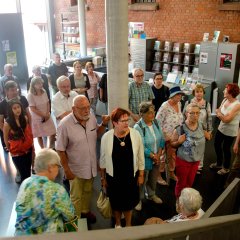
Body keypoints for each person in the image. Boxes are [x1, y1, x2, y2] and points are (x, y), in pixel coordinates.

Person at [56, 95, 110, 223]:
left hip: (90, 165)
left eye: (88, 107)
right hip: (75, 168)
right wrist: (66, 170)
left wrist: (104, 124)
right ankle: (76, 219)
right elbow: (60, 149)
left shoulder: (90, 117)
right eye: (82, 108)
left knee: (88, 191)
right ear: (74, 109)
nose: (87, 110)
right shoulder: (64, 124)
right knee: (76, 196)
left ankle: (85, 211)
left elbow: (96, 133)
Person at [100, 108, 144, 228]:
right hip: (113, 177)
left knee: (129, 203)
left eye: (127, 120)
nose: (126, 123)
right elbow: (103, 160)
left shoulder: (135, 134)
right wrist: (103, 178)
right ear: (114, 123)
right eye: (123, 120)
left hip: (130, 177)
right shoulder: (106, 137)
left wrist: (141, 175)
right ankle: (118, 223)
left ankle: (129, 224)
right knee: (116, 202)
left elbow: (140, 156)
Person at [15, 148, 75, 235]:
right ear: (50, 167)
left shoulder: (25, 183)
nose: (58, 170)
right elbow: (70, 216)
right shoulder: (57, 190)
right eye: (58, 166)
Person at [171, 104, 208, 198]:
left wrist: (208, 136)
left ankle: (186, 201)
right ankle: (179, 202)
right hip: (184, 161)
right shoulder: (180, 128)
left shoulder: (201, 125)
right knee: (181, 184)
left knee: (190, 182)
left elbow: (206, 137)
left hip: (196, 161)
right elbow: (172, 144)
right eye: (192, 113)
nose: (195, 115)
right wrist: (179, 142)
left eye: (197, 113)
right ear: (187, 114)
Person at [134, 102, 165, 211]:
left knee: (153, 178)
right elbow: (141, 146)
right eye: (149, 113)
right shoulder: (138, 127)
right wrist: (153, 156)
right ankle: (138, 199)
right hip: (145, 160)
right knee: (142, 181)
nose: (153, 115)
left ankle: (151, 194)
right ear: (142, 114)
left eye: (153, 112)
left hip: (156, 157)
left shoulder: (155, 122)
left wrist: (159, 154)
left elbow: (161, 138)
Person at [156, 86, 184, 183]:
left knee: (172, 155)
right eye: (178, 94)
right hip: (166, 136)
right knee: (163, 156)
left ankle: (171, 172)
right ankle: (158, 175)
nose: (180, 96)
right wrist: (165, 136)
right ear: (172, 96)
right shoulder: (165, 106)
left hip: (176, 135)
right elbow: (157, 122)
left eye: (180, 94)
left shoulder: (179, 104)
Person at [211, 83, 240, 175]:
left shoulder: (237, 105)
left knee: (226, 148)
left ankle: (226, 167)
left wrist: (221, 115)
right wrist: (222, 116)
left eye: (225, 90)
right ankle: (219, 163)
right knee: (216, 144)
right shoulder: (224, 100)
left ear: (230, 92)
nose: (223, 91)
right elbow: (218, 110)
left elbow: (227, 119)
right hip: (221, 128)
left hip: (231, 131)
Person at [183, 83, 212, 172]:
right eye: (197, 92)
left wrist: (210, 131)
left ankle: (198, 166)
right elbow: (184, 115)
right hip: (190, 129)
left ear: (203, 93)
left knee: (200, 147)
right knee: (190, 147)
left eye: (201, 92)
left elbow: (209, 118)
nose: (199, 93)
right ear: (193, 93)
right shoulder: (188, 102)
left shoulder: (206, 104)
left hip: (202, 130)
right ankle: (189, 165)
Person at [3, 100, 34, 183]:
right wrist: (11, 149)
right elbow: (5, 138)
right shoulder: (7, 123)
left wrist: (31, 143)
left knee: (28, 172)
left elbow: (28, 133)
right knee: (24, 175)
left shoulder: (25, 118)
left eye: (18, 107)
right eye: (14, 108)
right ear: (11, 110)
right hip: (17, 153)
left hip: (28, 150)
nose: (17, 110)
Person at [27, 77, 56, 149]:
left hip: (46, 114)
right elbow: (32, 108)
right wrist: (44, 115)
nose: (41, 85)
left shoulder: (44, 91)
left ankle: (50, 148)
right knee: (39, 134)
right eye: (39, 83)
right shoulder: (30, 94)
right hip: (37, 116)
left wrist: (48, 113)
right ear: (33, 85)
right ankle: (43, 149)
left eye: (41, 83)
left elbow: (47, 103)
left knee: (53, 132)